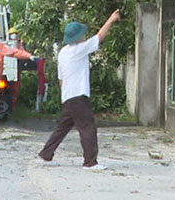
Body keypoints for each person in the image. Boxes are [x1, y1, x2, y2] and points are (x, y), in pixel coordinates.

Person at [36, 10, 120, 168]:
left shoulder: (63, 52)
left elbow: (61, 80)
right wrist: (111, 19)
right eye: (82, 34)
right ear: (78, 37)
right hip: (78, 96)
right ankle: (90, 162)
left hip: (67, 96)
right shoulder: (79, 49)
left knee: (63, 127)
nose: (84, 36)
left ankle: (45, 155)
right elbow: (100, 36)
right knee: (87, 127)